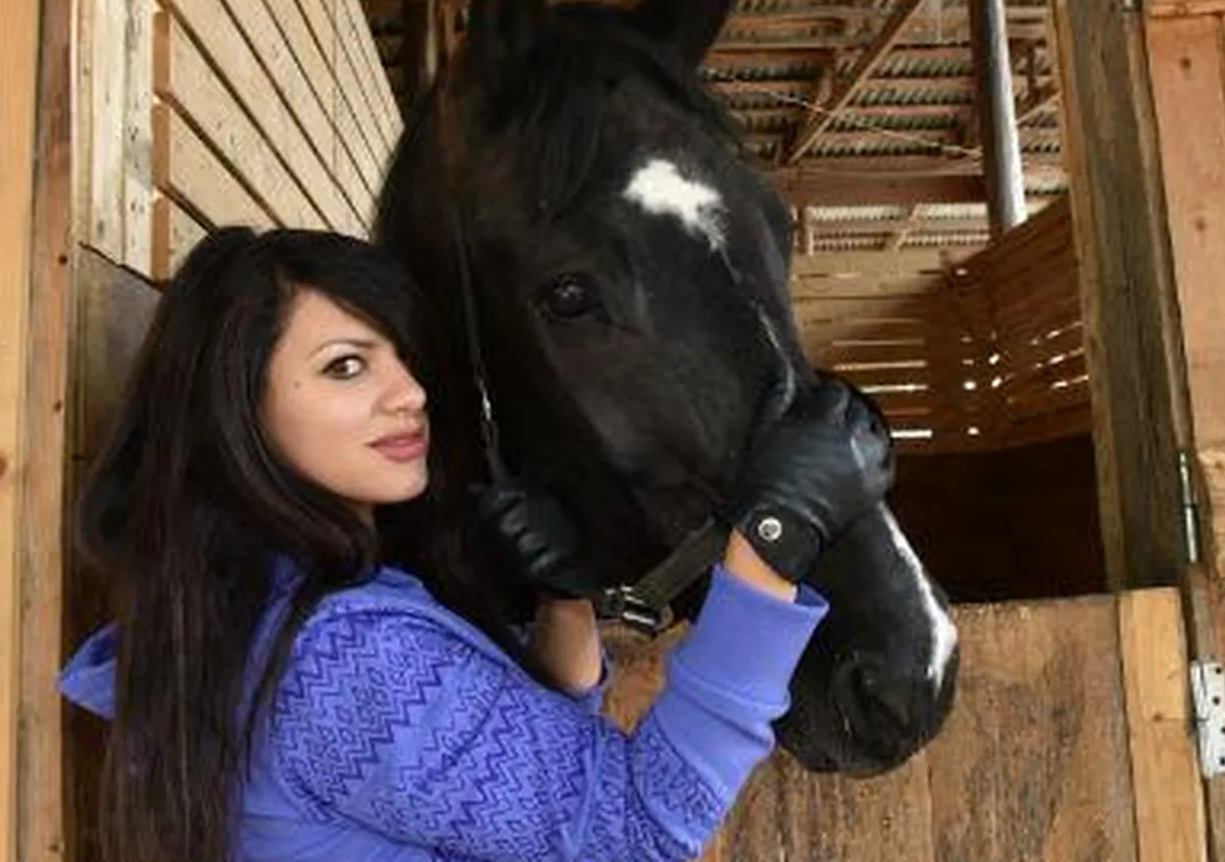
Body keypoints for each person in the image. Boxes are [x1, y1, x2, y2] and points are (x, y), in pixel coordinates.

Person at [59, 227, 894, 862]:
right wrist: (772, 542)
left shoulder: (261, 607)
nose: (412, 394)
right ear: (236, 411)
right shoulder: (344, 657)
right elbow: (636, 829)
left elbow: (506, 799)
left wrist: (563, 605)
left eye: (401, 358)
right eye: (348, 367)